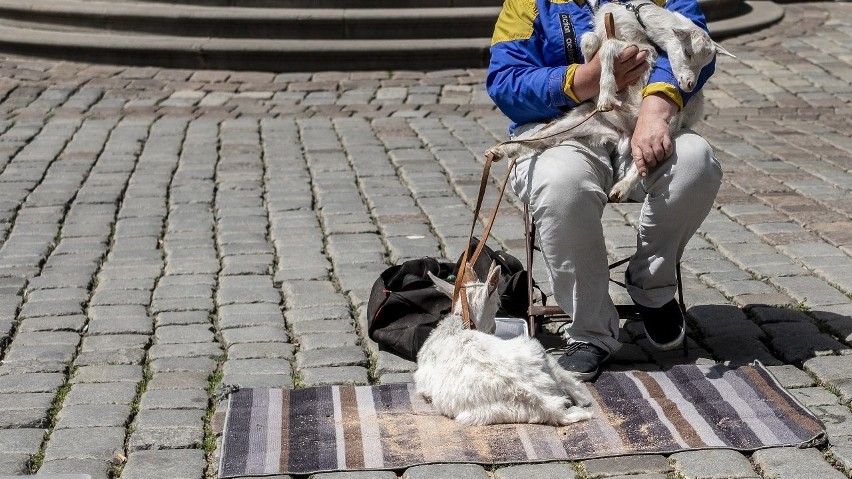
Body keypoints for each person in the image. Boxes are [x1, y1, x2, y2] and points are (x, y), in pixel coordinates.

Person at [486, 0, 723, 380]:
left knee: (696, 162)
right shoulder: (529, 3)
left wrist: (656, 108)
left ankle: (651, 286)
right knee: (562, 184)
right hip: (562, 131)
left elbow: (697, 44)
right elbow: (504, 82)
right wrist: (584, 79)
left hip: (643, 122)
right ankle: (590, 331)